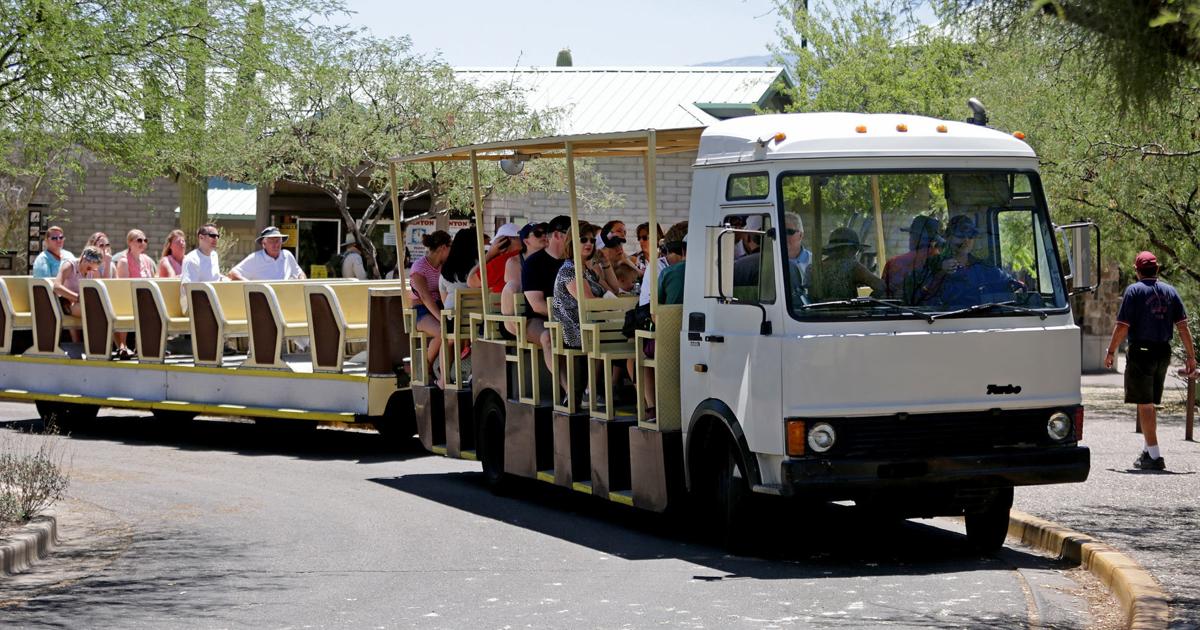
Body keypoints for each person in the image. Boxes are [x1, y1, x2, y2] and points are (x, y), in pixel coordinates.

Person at [1104, 251, 1196, 471]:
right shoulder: (1170, 291)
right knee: (1149, 403)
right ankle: (1147, 451)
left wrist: (1111, 351)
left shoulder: (1133, 291)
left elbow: (1122, 326)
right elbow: (1182, 326)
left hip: (1141, 352)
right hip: (1163, 352)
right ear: (1157, 270)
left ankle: (1155, 456)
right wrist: (1191, 356)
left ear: (1137, 271)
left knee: (1144, 405)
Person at [912, 215, 1018, 308]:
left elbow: (1012, 286)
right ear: (948, 237)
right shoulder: (931, 266)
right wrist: (940, 272)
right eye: (960, 235)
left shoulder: (984, 269)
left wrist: (1016, 287)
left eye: (970, 235)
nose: (966, 240)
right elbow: (917, 299)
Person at [550, 223, 606, 399]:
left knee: (625, 333)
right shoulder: (569, 270)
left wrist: (606, 263)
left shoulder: (588, 270)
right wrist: (612, 305)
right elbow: (588, 302)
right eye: (583, 239)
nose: (589, 243)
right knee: (612, 334)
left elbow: (613, 290)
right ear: (572, 241)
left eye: (591, 240)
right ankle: (590, 391)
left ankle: (607, 389)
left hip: (591, 323)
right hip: (573, 328)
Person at [640, 221, 689, 415]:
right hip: (664, 328)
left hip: (669, 332)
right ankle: (653, 405)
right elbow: (653, 311)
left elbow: (657, 312)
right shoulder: (660, 269)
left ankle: (657, 407)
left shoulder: (670, 272)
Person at [523, 215, 571, 371]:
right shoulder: (534, 263)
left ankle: (590, 388)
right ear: (557, 235)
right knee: (549, 337)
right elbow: (537, 305)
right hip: (537, 319)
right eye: (573, 235)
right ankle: (566, 391)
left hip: (570, 317)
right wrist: (567, 315)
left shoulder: (574, 262)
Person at [410, 230, 451, 385]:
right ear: (442, 248)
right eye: (450, 247)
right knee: (443, 331)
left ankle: (445, 368)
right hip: (421, 310)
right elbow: (425, 298)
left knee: (453, 331)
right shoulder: (419, 267)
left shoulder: (444, 266)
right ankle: (426, 364)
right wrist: (442, 318)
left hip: (440, 306)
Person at [807, 227, 884, 301]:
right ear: (849, 249)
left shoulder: (812, 269)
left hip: (817, 314)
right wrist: (867, 303)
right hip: (848, 313)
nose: (855, 255)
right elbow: (881, 286)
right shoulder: (853, 267)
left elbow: (810, 298)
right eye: (856, 251)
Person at [500, 222, 547, 337]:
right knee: (512, 286)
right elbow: (521, 292)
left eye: (546, 233)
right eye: (537, 234)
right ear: (526, 241)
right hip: (520, 318)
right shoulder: (514, 262)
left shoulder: (548, 260)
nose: (544, 236)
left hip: (541, 315)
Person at [883, 215, 943, 303]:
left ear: (915, 237)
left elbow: (884, 296)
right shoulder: (947, 263)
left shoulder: (894, 263)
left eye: (911, 234)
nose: (910, 238)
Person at [51, 246, 103, 343]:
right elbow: (56, 287)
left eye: (93, 268)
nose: (90, 269)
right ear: (83, 257)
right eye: (89, 266)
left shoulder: (93, 272)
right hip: (66, 303)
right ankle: (92, 345)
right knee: (93, 310)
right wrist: (78, 298)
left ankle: (96, 345)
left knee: (100, 309)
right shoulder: (69, 265)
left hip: (82, 303)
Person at [228, 226, 305, 281]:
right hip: (262, 302)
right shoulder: (255, 258)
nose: (275, 244)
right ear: (264, 244)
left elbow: (300, 273)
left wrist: (302, 282)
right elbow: (232, 274)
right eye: (271, 241)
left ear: (282, 242)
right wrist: (251, 286)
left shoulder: (287, 255)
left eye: (277, 240)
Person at [180, 223, 223, 311]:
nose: (216, 239)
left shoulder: (214, 255)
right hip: (194, 307)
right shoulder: (192, 259)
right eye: (212, 236)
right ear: (201, 237)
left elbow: (215, 278)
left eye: (217, 236)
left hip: (213, 303)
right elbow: (188, 287)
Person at [468, 222, 520, 295]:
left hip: (501, 305)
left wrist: (489, 254)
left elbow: (471, 282)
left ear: (504, 241)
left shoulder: (503, 261)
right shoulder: (530, 255)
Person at [439, 228, 478, 311]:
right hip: (478, 318)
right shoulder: (479, 266)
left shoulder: (446, 268)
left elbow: (444, 300)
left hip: (452, 318)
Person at [784, 213, 812, 278]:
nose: (784, 236)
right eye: (780, 232)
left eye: (789, 232)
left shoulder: (814, 263)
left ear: (801, 235)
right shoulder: (772, 262)